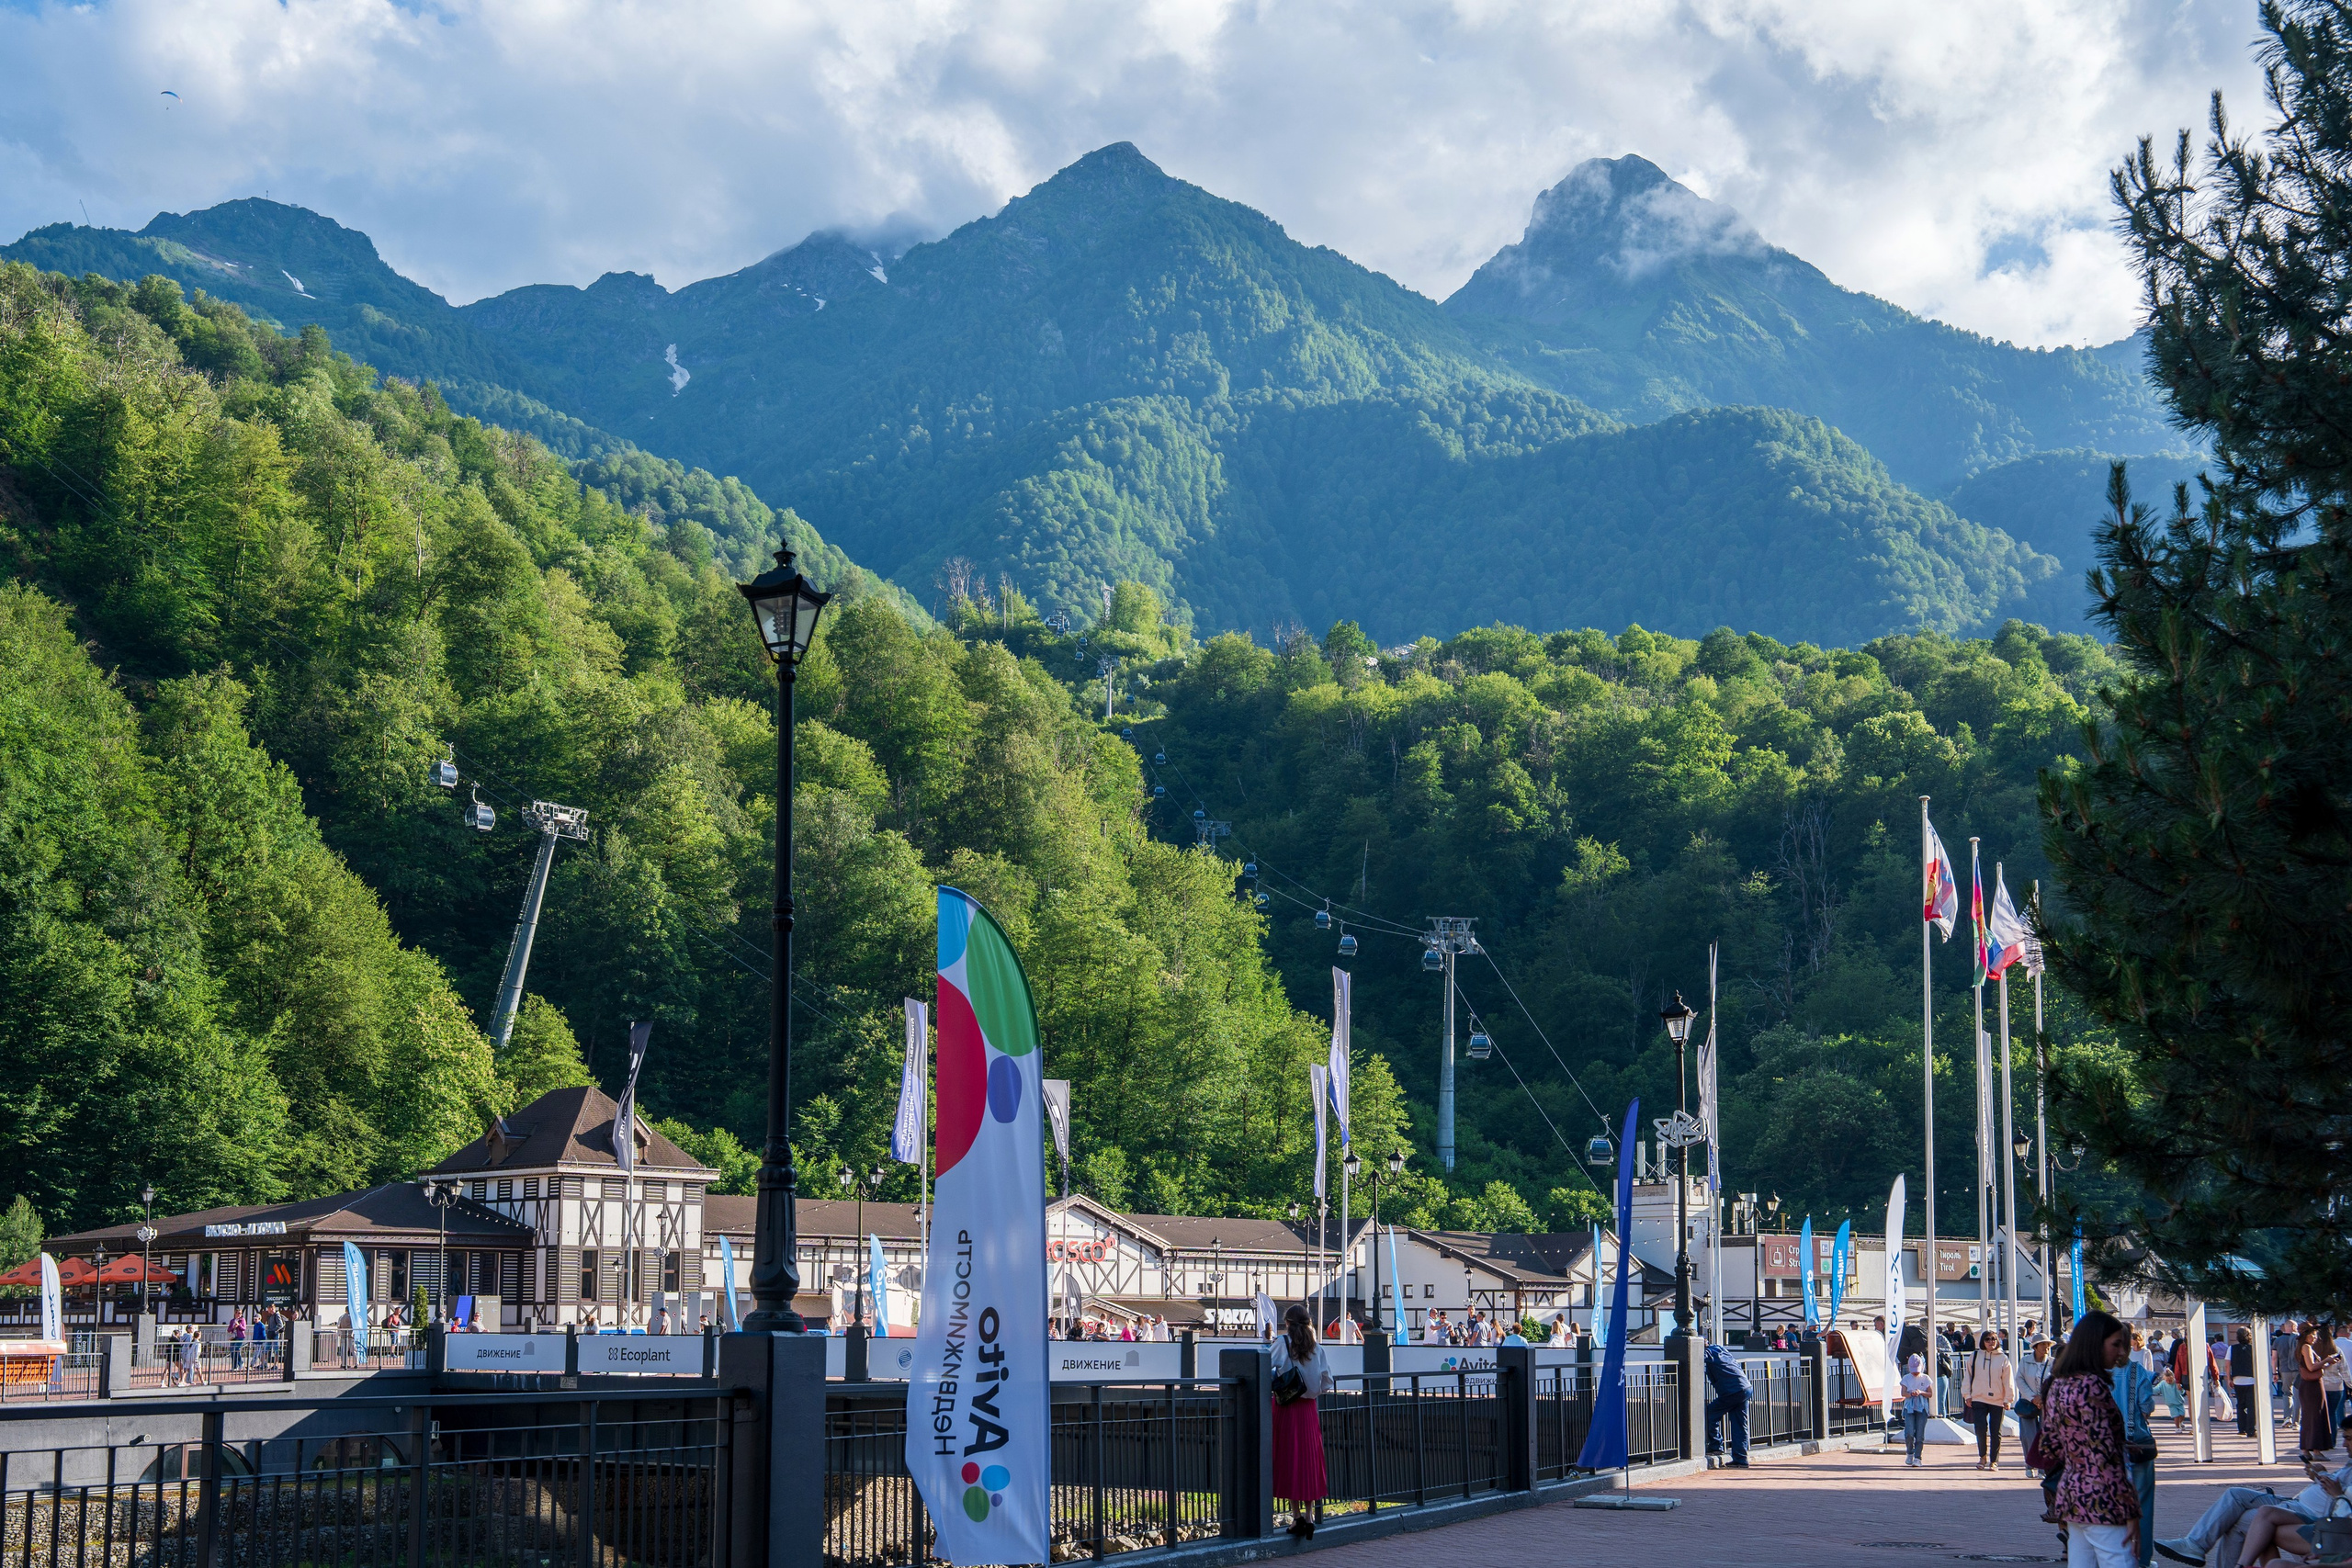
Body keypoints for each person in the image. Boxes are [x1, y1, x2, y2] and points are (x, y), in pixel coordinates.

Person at [2156, 1410, 2352, 1564]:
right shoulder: (2349, 1464)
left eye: (2349, 1439)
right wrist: (2322, 1475)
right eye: (2345, 1438)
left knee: (2243, 1520)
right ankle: (2194, 1545)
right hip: (2295, 1503)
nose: (2344, 1444)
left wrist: (2337, 1493)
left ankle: (2199, 1548)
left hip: (2311, 1515)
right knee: (2234, 1495)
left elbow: (2343, 1507)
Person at [2041, 1311, 2143, 1568]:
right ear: (2095, 1344)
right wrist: (2130, 1510)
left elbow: (2050, 1445)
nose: (2121, 1352)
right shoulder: (2093, 1386)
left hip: (2072, 1494)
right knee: (2122, 1562)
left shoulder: (2059, 1384)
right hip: (2102, 1499)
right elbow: (2106, 1458)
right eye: (2116, 1344)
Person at [1271, 1305, 1334, 1540]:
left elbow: (1264, 1365)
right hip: (1309, 1410)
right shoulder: (1317, 1348)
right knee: (1308, 1462)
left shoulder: (1282, 1343)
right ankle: (1309, 1516)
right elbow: (1327, 1382)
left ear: (1287, 1323)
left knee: (1289, 1460)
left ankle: (1295, 1516)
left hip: (1286, 1408)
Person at [2114, 1328, 2160, 1568]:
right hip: (2136, 1443)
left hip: (2108, 1448)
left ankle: (2114, 1555)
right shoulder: (2137, 1372)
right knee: (2142, 1503)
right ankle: (2141, 1558)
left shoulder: (2096, 1374)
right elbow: (2146, 1407)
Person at [1964, 1328, 2017, 1470]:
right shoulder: (1975, 1356)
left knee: (1996, 1431)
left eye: (1993, 1339)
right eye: (1987, 1339)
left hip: (1998, 1400)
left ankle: (1994, 1461)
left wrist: (2008, 1399)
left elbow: (2008, 1380)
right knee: (1980, 1428)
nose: (1991, 1342)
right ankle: (1982, 1457)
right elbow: (1968, 1376)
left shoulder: (2003, 1358)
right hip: (1978, 1398)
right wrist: (1967, 1395)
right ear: (1983, 1341)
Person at [1700, 1341, 1752, 1467]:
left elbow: (1699, 1357)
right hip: (1745, 1387)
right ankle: (1741, 1459)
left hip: (1732, 1390)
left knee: (1710, 1413)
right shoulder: (1719, 1349)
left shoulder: (1709, 1353)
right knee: (1740, 1424)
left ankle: (1716, 1445)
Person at [2019, 1336, 2055, 1465]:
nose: (2046, 1347)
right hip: (2028, 1403)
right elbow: (2020, 1380)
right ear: (2035, 1347)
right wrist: (2032, 1397)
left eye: (2048, 1345)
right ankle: (2030, 1465)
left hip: (2048, 1404)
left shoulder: (2053, 1362)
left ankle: (2044, 1466)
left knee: (2047, 1435)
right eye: (2043, 1344)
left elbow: (2055, 1382)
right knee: (2028, 1435)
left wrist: (2043, 1398)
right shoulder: (2025, 1361)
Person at [2299, 1322, 2333, 1460]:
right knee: (2315, 1417)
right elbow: (2311, 1367)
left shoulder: (2304, 1347)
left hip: (2310, 1386)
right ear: (2306, 1335)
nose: (2315, 1338)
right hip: (2312, 1386)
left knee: (2310, 1417)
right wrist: (2326, 1360)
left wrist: (2326, 1363)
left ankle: (2307, 1450)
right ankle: (2315, 1450)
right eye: (2312, 1335)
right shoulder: (2306, 1347)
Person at [1901, 1353, 1935, 1466]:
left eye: (1918, 1370)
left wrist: (1921, 1392)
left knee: (1920, 1434)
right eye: (1914, 1370)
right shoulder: (1906, 1378)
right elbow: (1903, 1393)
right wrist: (1911, 1393)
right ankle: (1910, 1452)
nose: (1916, 1372)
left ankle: (1918, 1457)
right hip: (1909, 1407)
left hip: (1922, 1408)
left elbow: (1930, 1394)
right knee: (1909, 1432)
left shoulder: (1925, 1378)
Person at [2232, 1327, 2259, 1438]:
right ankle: (2251, 1430)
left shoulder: (2232, 1348)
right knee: (2251, 1406)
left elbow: (2228, 1364)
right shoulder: (2253, 1348)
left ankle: (2241, 1429)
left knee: (2240, 1405)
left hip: (2237, 1379)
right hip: (2251, 1379)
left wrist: (2229, 1378)